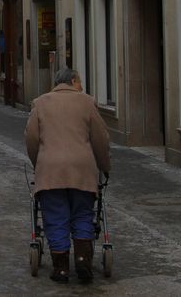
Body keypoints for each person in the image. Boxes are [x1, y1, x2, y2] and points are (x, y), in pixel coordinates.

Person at [24, 67, 110, 284]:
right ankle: (82, 261)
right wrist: (104, 166)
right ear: (73, 81)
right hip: (82, 170)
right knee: (82, 215)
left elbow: (31, 139)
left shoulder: (40, 103)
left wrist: (39, 164)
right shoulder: (87, 102)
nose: (81, 87)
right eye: (80, 82)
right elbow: (101, 139)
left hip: (50, 170)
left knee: (55, 218)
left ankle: (61, 268)